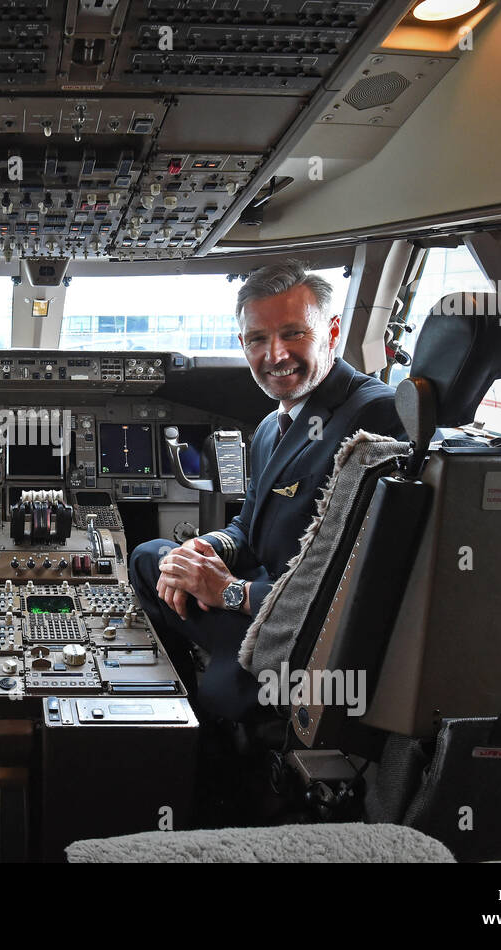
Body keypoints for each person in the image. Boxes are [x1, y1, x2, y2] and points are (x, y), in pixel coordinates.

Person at [129, 260, 406, 722]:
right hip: (251, 602)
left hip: (301, 637)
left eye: (293, 333)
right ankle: (178, 694)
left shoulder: (376, 420)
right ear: (243, 344)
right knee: (150, 558)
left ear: (332, 331)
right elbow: (246, 526)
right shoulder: (268, 429)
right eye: (258, 339)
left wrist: (231, 593)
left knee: (220, 700)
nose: (275, 355)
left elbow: (357, 582)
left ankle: (202, 736)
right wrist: (204, 547)